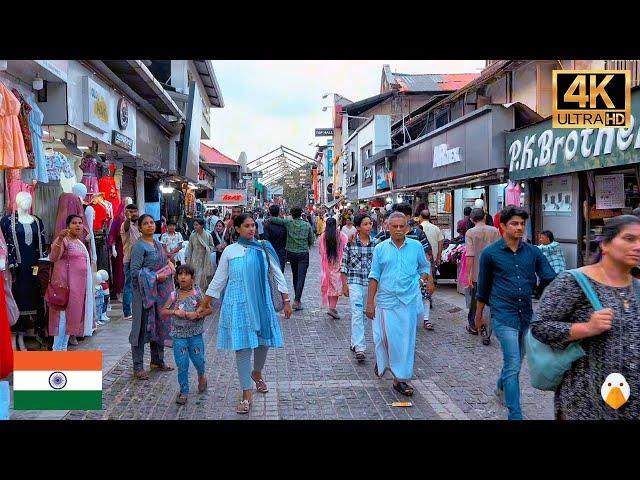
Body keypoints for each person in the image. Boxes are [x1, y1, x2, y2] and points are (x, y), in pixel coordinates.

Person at [531, 215, 640, 420]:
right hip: (586, 402)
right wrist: (587, 328)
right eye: (629, 239)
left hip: (632, 404)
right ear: (605, 244)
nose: (637, 246)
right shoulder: (574, 282)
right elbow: (539, 326)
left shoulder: (636, 288)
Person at [197, 214, 293, 414]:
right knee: (242, 347)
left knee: (263, 342)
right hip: (237, 303)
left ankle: (256, 372)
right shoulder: (230, 251)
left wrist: (286, 301)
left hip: (261, 302)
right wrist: (204, 303)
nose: (251, 229)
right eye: (246, 226)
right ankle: (246, 393)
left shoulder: (264, 247)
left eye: (253, 226)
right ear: (238, 229)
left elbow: (277, 274)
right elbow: (219, 279)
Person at [475, 206, 556, 419]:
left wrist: (541, 293)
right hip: (502, 315)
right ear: (502, 226)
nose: (519, 228)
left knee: (517, 361)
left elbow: (550, 277)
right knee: (513, 363)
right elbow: (482, 288)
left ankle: (501, 387)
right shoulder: (490, 254)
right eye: (514, 223)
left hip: (526, 315)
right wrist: (479, 315)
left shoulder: (534, 252)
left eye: (522, 224)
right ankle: (515, 413)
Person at [366, 212, 433, 396]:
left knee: (405, 341)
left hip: (408, 300)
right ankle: (384, 362)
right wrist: (369, 303)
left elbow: (424, 266)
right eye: (394, 226)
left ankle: (400, 379)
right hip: (386, 301)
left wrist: (423, 279)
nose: (397, 230)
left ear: (407, 228)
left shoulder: (416, 246)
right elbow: (374, 276)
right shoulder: (380, 248)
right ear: (387, 227)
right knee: (384, 339)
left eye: (401, 226)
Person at [129, 214, 176, 380]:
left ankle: (157, 361)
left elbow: (163, 261)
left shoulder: (157, 243)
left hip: (159, 294)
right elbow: (134, 272)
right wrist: (155, 278)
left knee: (159, 324)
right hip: (143, 295)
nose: (149, 225)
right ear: (140, 227)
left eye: (151, 223)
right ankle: (138, 366)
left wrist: (169, 264)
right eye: (145, 223)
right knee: (141, 328)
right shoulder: (138, 247)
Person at [160, 264, 212, 405]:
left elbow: (209, 310)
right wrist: (174, 312)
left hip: (195, 334)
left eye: (186, 274)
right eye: (180, 274)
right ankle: (184, 390)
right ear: (176, 278)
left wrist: (196, 314)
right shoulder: (174, 295)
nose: (183, 277)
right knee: (182, 364)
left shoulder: (197, 293)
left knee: (199, 360)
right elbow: (163, 311)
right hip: (179, 336)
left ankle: (201, 376)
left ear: (192, 278)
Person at [377, 203, 435, 330]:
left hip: (413, 280)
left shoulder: (418, 234)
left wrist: (427, 279)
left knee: (423, 296)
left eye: (401, 218)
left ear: (408, 217)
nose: (398, 228)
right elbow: (373, 247)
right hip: (391, 288)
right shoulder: (386, 235)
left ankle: (424, 319)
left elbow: (426, 257)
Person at [48, 215, 92, 351]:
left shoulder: (80, 243)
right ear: (68, 226)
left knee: (70, 320)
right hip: (66, 287)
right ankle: (57, 350)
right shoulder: (64, 240)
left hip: (78, 289)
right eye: (74, 223)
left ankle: (63, 350)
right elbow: (53, 257)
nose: (77, 225)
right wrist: (60, 238)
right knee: (62, 320)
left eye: (80, 223)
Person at [341, 213, 378, 362]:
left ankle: (354, 341)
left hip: (370, 284)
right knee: (357, 313)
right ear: (358, 227)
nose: (369, 226)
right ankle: (360, 348)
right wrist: (344, 285)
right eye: (365, 224)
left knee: (364, 314)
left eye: (370, 223)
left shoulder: (376, 244)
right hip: (354, 282)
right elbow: (344, 265)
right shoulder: (350, 244)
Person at [464, 208, 501, 344]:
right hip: (493, 272)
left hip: (477, 272)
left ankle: (474, 326)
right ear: (484, 217)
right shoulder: (495, 231)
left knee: (476, 300)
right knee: (490, 302)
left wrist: (468, 275)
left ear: (472, 219)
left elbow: (470, 255)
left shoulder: (470, 233)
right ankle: (487, 333)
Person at [269, 207, 315, 311]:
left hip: (291, 253)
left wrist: (268, 219)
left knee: (295, 275)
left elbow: (274, 219)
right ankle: (297, 300)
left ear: (292, 214)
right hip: (303, 253)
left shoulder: (289, 223)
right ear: (301, 214)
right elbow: (311, 240)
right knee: (301, 277)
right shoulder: (307, 225)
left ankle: (297, 299)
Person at [319, 218, 348, 320]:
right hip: (338, 264)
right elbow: (346, 247)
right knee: (336, 288)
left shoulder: (323, 236)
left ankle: (331, 307)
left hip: (327, 265)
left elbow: (321, 251)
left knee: (329, 285)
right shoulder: (341, 235)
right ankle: (332, 307)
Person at [120, 204, 141, 321]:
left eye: (134, 211)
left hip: (142, 259)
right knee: (129, 286)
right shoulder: (125, 224)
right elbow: (127, 228)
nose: (133, 214)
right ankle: (127, 312)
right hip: (130, 260)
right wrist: (128, 218)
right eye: (130, 212)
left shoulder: (141, 225)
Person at [186, 218, 216, 292]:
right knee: (195, 277)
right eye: (194, 225)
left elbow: (212, 246)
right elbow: (190, 249)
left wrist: (207, 249)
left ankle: (201, 294)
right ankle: (195, 294)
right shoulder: (192, 236)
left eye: (197, 225)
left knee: (202, 278)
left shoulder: (208, 235)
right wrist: (188, 261)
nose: (195, 226)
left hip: (204, 260)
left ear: (202, 225)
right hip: (194, 260)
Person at [263, 204, 287, 273]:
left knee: (271, 273)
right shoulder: (284, 224)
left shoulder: (267, 225)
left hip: (270, 252)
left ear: (269, 213)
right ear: (279, 212)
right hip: (281, 252)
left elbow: (265, 239)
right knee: (280, 273)